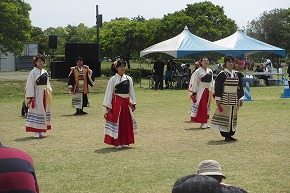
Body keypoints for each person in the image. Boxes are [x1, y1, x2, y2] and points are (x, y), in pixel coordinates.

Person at [103, 60, 139, 149]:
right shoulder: (113, 79)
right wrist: (108, 106)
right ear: (117, 68)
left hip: (126, 103)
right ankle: (117, 142)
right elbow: (109, 92)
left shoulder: (128, 78)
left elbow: (131, 91)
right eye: (121, 66)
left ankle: (124, 141)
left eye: (124, 66)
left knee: (125, 122)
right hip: (116, 103)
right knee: (116, 122)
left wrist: (133, 103)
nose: (123, 68)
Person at [211, 55, 244, 142]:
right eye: (229, 62)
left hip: (234, 98)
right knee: (226, 115)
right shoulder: (222, 75)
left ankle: (231, 133)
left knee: (233, 115)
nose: (231, 64)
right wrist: (218, 99)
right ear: (225, 63)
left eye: (232, 62)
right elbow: (218, 87)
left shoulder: (236, 74)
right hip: (225, 98)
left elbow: (240, 87)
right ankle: (226, 135)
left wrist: (240, 98)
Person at [25, 54, 52, 138]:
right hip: (37, 94)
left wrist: (49, 92)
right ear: (35, 62)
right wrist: (31, 96)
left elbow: (48, 83)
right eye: (39, 61)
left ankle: (41, 131)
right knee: (38, 110)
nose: (41, 62)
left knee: (44, 111)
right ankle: (36, 131)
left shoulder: (45, 72)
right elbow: (29, 85)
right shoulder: (33, 72)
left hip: (44, 93)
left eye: (42, 61)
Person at [188, 56, 214, 129]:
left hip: (208, 90)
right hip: (200, 90)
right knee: (201, 106)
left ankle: (205, 121)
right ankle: (202, 123)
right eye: (204, 61)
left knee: (207, 106)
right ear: (201, 62)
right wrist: (194, 92)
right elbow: (194, 81)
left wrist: (212, 90)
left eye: (207, 60)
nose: (206, 62)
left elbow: (212, 81)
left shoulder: (210, 71)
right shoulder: (198, 71)